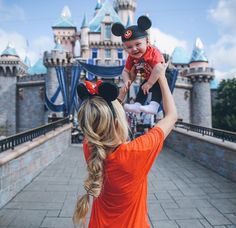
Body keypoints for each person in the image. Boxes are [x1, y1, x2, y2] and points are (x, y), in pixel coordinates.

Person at [73, 64, 177, 227]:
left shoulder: (91, 148)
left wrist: (120, 95)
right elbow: (171, 116)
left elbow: (100, 122)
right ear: (118, 120)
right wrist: (161, 76)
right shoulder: (137, 152)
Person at [111, 15, 165, 114]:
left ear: (147, 42)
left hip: (161, 76)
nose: (134, 49)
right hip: (148, 77)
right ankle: (137, 105)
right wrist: (127, 80)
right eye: (129, 47)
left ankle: (154, 105)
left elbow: (158, 68)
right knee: (142, 87)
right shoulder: (132, 57)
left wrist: (150, 83)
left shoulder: (153, 52)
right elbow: (125, 71)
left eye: (138, 44)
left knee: (157, 85)